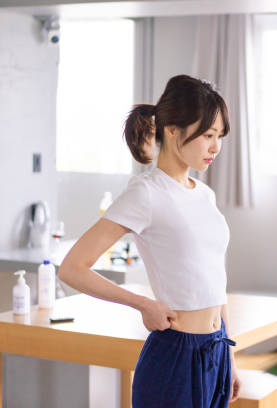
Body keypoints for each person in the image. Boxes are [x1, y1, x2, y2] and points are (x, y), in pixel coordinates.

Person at [58, 74, 242, 408]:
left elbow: (215, 276)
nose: (216, 147)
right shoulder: (146, 193)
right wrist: (143, 304)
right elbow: (72, 268)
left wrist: (230, 357)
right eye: (208, 135)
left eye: (220, 136)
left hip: (216, 349)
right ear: (173, 131)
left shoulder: (205, 195)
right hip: (174, 356)